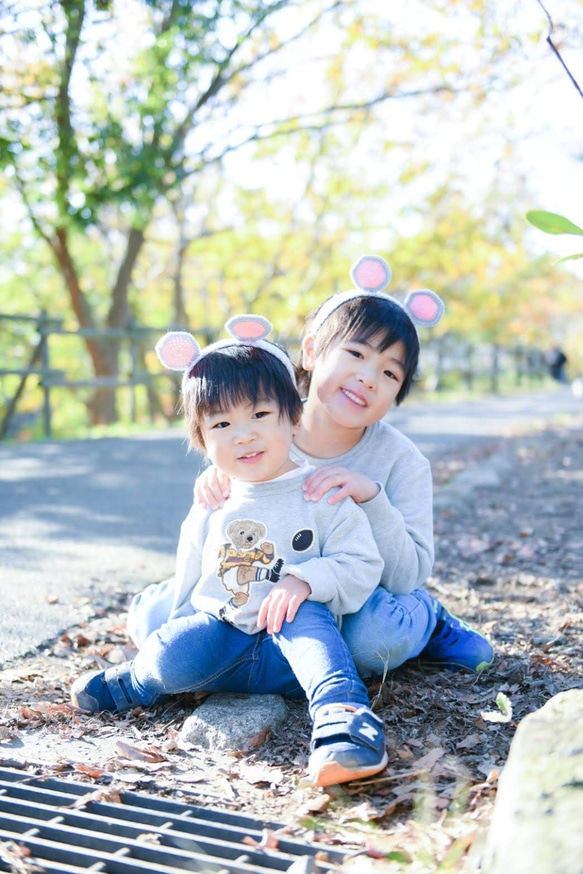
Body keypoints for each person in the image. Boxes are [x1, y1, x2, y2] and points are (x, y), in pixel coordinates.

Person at [71, 315, 389, 787]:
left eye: (260, 415)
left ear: (294, 417)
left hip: (295, 653)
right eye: (221, 423)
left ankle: (343, 717)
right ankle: (135, 683)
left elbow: (364, 563)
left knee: (306, 617)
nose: (244, 435)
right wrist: (172, 628)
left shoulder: (320, 492)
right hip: (226, 639)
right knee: (173, 654)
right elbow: (190, 570)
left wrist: (306, 580)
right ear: (201, 439)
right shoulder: (216, 497)